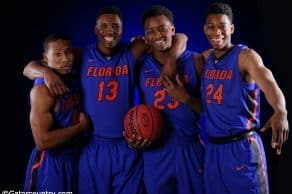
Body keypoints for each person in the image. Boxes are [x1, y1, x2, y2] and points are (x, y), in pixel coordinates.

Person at [23, 6, 187, 194]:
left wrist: (171, 59)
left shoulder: (133, 50)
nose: (110, 30)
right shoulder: (82, 56)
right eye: (104, 26)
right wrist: (45, 72)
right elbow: (28, 68)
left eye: (115, 26)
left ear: (122, 29)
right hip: (93, 145)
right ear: (95, 30)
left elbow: (179, 37)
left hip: (127, 145)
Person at [164, 2, 289, 194]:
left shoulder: (245, 56)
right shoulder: (205, 59)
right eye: (211, 27)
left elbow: (269, 83)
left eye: (222, 27)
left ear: (231, 28)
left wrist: (280, 110)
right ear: (205, 29)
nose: (216, 32)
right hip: (213, 149)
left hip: (242, 147)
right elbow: (181, 38)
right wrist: (185, 98)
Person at [136, 5, 205, 194]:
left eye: (162, 29)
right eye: (151, 31)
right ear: (145, 36)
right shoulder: (139, 65)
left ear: (172, 30)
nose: (157, 35)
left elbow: (208, 111)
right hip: (156, 148)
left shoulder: (196, 61)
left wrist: (186, 98)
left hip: (189, 146)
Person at [23, 33, 90, 192]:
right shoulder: (41, 90)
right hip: (51, 163)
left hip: (76, 157)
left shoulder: (73, 69)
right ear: (46, 58)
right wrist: (81, 127)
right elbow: (42, 142)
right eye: (57, 54)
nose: (65, 58)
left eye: (68, 52)